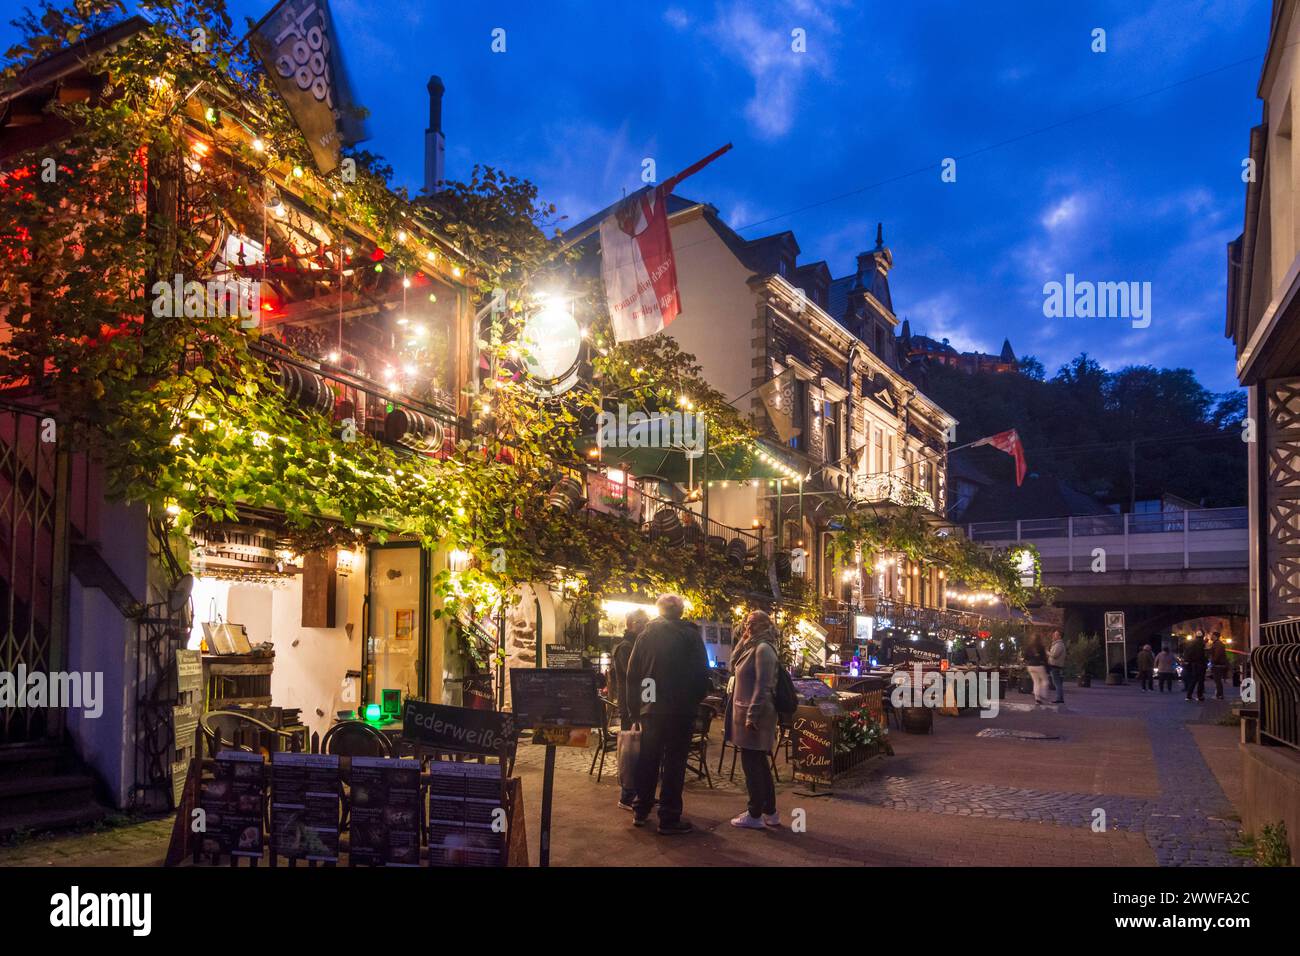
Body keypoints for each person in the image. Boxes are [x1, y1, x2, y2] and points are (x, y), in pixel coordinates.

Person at [625, 593, 711, 835]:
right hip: (680, 710)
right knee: (675, 763)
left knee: (648, 758)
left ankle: (641, 809)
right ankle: (669, 817)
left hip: (651, 707)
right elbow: (701, 674)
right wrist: (694, 701)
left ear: (659, 611)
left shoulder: (646, 635)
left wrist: (636, 708)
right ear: (681, 611)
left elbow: (634, 674)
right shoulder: (691, 636)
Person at [728, 610, 780, 830]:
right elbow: (733, 663)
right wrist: (743, 640)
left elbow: (763, 686)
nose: (746, 626)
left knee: (752, 766)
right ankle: (770, 811)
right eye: (745, 623)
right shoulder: (752, 646)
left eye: (750, 623)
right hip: (748, 713)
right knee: (758, 763)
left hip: (756, 716)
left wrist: (752, 715)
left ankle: (755, 812)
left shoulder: (764, 649)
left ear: (761, 625)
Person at [610, 608, 650, 810]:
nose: (644, 624)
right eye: (640, 621)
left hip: (641, 706)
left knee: (641, 752)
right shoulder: (625, 647)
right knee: (630, 753)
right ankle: (627, 796)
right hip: (629, 707)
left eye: (646, 621)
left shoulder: (639, 645)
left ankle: (640, 794)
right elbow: (634, 675)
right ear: (631, 624)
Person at [1022, 632, 1051, 705]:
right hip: (1039, 665)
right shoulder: (1041, 647)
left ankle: (1037, 699)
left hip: (1030, 666)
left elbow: (1025, 657)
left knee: (1036, 682)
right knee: (1045, 681)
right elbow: (1044, 658)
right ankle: (1042, 694)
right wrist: (1047, 666)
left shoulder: (1029, 647)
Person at [1183, 634, 1207, 702]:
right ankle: (1200, 696)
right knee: (1201, 681)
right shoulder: (1201, 644)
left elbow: (1188, 653)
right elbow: (1202, 654)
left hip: (1194, 664)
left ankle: (1189, 695)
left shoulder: (1191, 644)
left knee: (1193, 680)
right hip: (1200, 664)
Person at [1046, 630, 1066, 704]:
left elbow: (1054, 655)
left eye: (1055, 634)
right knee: (1058, 683)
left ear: (1059, 636)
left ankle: (1059, 699)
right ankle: (1060, 698)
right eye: (1054, 634)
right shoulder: (1056, 644)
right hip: (1055, 666)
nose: (1053, 636)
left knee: (1057, 683)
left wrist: (1047, 652)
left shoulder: (1059, 645)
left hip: (1055, 666)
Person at [1209, 631, 1230, 700]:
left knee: (1217, 680)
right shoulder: (1217, 644)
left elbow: (1217, 654)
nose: (1210, 636)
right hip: (1218, 664)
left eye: (1212, 635)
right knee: (1217, 680)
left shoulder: (1218, 644)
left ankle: (1219, 695)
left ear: (1215, 636)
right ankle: (1219, 694)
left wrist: (1214, 662)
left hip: (1218, 665)